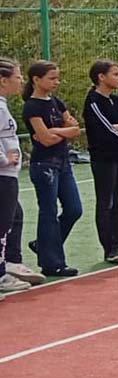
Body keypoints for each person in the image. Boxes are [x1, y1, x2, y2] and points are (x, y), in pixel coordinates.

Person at [23, 59, 84, 277]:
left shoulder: (56, 102)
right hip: (44, 165)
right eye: (52, 78)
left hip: (63, 162)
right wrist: (60, 132)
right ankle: (52, 262)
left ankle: (43, 244)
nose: (56, 82)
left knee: (74, 209)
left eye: (57, 77)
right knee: (48, 211)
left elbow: (75, 128)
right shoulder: (32, 106)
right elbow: (45, 139)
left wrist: (56, 132)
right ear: (36, 80)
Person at [83, 57, 118, 264]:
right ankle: (110, 249)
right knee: (106, 203)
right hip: (103, 160)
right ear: (101, 77)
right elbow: (107, 131)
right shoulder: (93, 102)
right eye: (115, 74)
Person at [0, 57, 33, 295]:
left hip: (7, 175)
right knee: (3, 226)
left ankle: (8, 265)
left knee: (13, 217)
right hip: (3, 175)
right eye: (18, 77)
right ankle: (1, 274)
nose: (21, 81)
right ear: (3, 80)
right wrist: (4, 160)